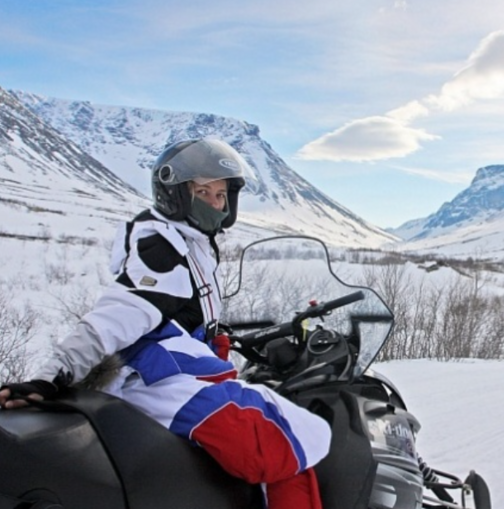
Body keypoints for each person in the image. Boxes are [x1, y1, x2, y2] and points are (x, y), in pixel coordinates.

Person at [0, 138, 331, 508]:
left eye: (221, 195)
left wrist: (221, 341)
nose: (215, 203)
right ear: (175, 194)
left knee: (281, 426)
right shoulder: (162, 248)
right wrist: (50, 377)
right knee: (278, 443)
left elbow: (182, 315)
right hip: (157, 380)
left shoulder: (192, 241)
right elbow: (112, 319)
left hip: (176, 372)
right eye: (203, 191)